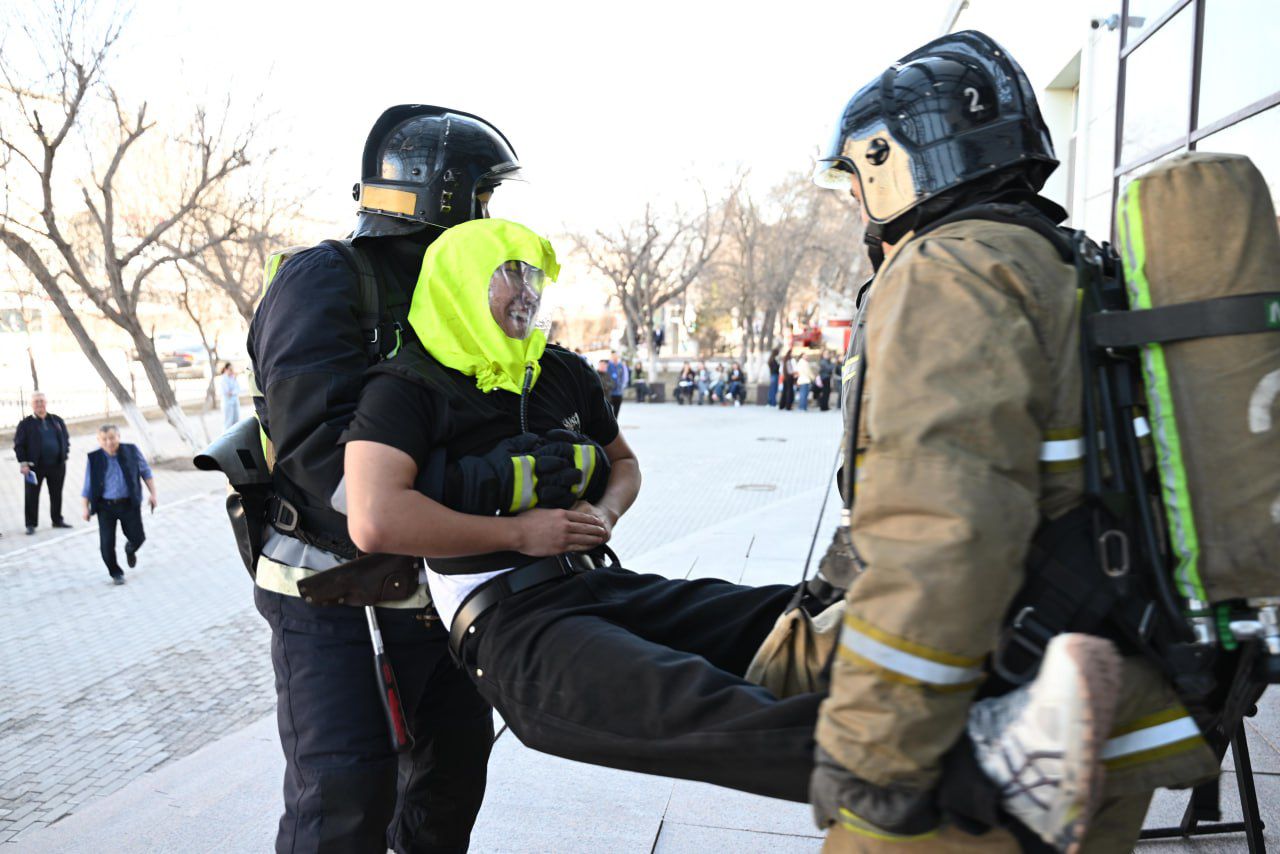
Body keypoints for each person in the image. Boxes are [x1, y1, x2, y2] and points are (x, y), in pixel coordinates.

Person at [341, 219, 1129, 850]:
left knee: (786, 618)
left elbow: (624, 464)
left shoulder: (557, 372)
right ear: (460, 282)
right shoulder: (406, 388)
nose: (527, 291)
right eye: (508, 273)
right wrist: (520, 534)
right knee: (695, 703)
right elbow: (376, 518)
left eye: (532, 274)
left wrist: (605, 514)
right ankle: (986, 768)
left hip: (593, 583)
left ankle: (1007, 659)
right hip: (510, 625)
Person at [806, 30, 1216, 851]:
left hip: (998, 733)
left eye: (857, 176)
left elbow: (941, 534)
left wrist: (873, 754)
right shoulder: (1063, 261)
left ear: (893, 159)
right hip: (1106, 710)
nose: (855, 199)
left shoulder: (949, 270)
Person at [244, 105, 516, 854]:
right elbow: (316, 448)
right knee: (345, 797)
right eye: (483, 195)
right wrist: (477, 490)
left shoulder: (461, 287)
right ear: (443, 195)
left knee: (449, 782)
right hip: (332, 586)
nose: (491, 214)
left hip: (441, 584)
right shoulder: (324, 279)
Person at [81, 424, 156, 584]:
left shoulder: (131, 451)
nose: (109, 442)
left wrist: (153, 494)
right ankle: (116, 573)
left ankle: (130, 549)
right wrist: (84, 508)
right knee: (106, 544)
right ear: (99, 440)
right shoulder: (94, 458)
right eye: (104, 439)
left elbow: (146, 472)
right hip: (105, 507)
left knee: (138, 537)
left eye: (112, 438)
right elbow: (87, 485)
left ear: (118, 437)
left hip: (129, 503)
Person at [14, 391, 71, 535]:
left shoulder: (56, 420)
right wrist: (23, 463)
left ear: (46, 402)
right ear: (32, 405)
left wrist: (65, 453)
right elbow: (19, 445)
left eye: (41, 401)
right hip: (34, 468)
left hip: (57, 465)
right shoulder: (25, 424)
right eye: (36, 401)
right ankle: (31, 524)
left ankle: (57, 520)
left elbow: (65, 438)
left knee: (56, 494)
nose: (39, 404)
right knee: (31, 496)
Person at [218, 363, 241, 431]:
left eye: (232, 369)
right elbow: (227, 392)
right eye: (230, 369)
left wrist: (233, 392)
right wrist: (233, 392)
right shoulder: (223, 379)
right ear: (226, 369)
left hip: (235, 401)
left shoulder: (233, 378)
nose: (232, 371)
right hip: (227, 403)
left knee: (236, 421)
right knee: (228, 422)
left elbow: (238, 389)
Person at [606, 351, 629, 415]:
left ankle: (615, 420)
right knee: (609, 409)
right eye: (613, 356)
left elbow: (625, 377)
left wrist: (622, 385)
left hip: (619, 391)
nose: (614, 357)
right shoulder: (608, 365)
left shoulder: (621, 365)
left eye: (616, 356)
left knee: (617, 409)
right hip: (609, 392)